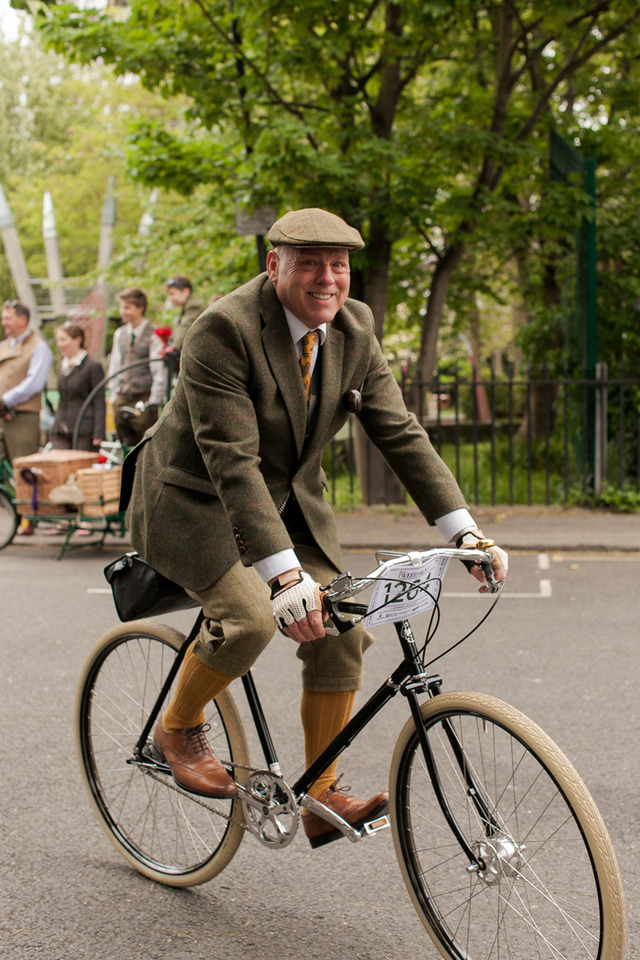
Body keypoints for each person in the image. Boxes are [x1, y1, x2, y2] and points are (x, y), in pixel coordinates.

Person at [121, 208, 508, 849]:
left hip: (284, 499)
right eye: (309, 263)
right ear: (274, 266)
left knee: (342, 625)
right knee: (248, 618)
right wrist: (285, 577)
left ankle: (320, 796)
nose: (327, 278)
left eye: (339, 265)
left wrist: (465, 533)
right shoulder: (223, 328)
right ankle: (177, 728)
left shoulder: (354, 328)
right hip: (192, 497)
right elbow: (232, 462)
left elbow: (401, 433)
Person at [0, 299, 54, 535]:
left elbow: (35, 383)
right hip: (2, 414)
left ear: (23, 319)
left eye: (8, 318)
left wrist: (6, 401)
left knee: (23, 467)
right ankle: (11, 513)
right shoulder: (3, 346)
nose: (4, 322)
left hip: (22, 416)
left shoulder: (38, 347)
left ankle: (28, 518)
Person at [107, 287, 166, 448]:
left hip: (144, 395)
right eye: (122, 307)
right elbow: (115, 365)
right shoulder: (120, 334)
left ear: (140, 309)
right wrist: (114, 394)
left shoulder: (153, 333)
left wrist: (154, 400)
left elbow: (158, 368)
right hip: (124, 394)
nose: (123, 312)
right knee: (123, 438)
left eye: (127, 307)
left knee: (145, 441)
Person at [51, 321, 105, 452]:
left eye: (63, 340)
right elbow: (62, 400)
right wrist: (55, 428)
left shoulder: (92, 366)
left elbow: (99, 401)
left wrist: (99, 433)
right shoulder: (62, 366)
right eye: (58, 340)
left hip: (84, 430)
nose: (59, 344)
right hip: (62, 429)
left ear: (77, 340)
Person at [165, 276, 206, 353]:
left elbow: (185, 326)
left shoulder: (193, 306)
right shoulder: (186, 306)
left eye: (172, 294)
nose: (170, 298)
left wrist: (174, 348)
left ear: (186, 292)